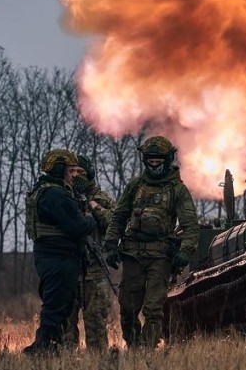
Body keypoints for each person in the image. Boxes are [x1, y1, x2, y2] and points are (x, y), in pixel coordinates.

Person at [103, 136, 198, 349]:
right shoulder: (135, 185)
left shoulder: (177, 189)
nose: (154, 165)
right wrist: (110, 245)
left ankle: (147, 351)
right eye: (151, 160)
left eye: (159, 161)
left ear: (167, 160)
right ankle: (135, 347)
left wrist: (185, 252)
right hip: (132, 255)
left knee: (154, 308)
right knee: (127, 308)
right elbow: (119, 216)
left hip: (161, 256)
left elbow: (191, 225)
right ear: (145, 160)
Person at [23, 149, 96, 355]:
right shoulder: (55, 194)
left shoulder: (45, 190)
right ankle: (43, 349)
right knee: (56, 307)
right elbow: (78, 226)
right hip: (58, 257)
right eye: (71, 170)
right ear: (59, 170)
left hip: (53, 256)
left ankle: (50, 347)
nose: (75, 175)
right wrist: (90, 218)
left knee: (58, 305)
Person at [64, 155, 115, 351]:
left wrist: (93, 205)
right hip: (69, 267)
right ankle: (69, 362)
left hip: (94, 269)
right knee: (66, 321)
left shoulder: (102, 198)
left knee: (96, 321)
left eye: (81, 172)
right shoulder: (62, 198)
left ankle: (99, 360)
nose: (76, 175)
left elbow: (114, 223)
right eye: (72, 171)